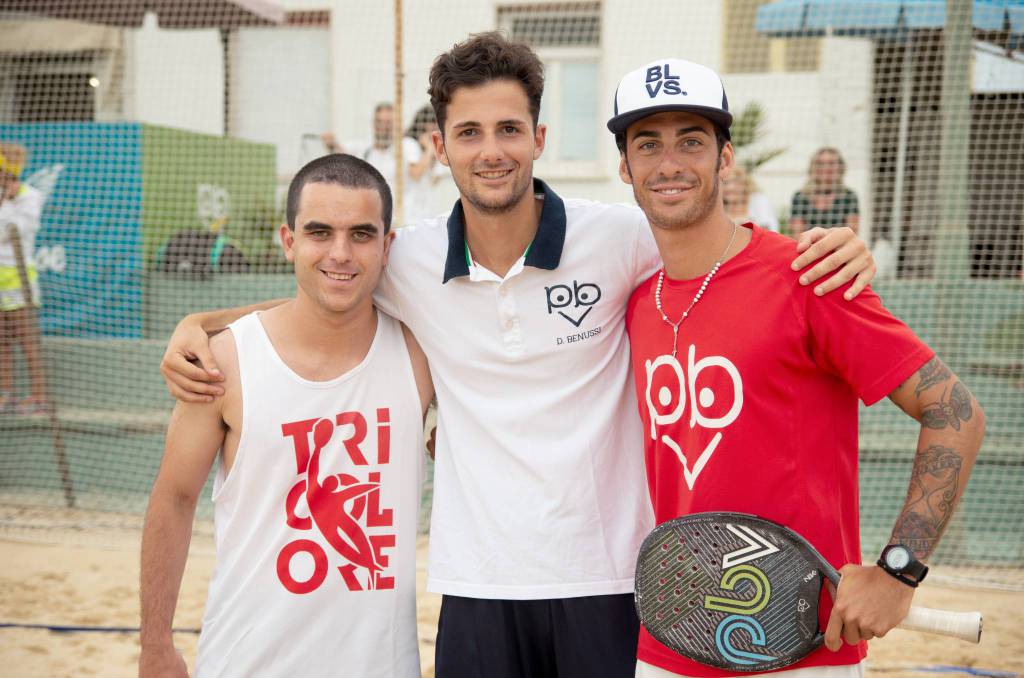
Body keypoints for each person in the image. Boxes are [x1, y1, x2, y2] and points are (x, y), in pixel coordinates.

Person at [160, 33, 877, 678]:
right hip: (478, 586)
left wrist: (821, 250)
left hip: (609, 582)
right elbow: (328, 285)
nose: (491, 149)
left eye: (508, 129)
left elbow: (718, 245)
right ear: (440, 148)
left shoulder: (619, 238)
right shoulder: (407, 258)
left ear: (537, 137)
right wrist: (204, 322)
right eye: (468, 132)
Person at [609, 57, 985, 677]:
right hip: (674, 640)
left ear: (726, 158)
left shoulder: (811, 276)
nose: (669, 163)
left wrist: (898, 571)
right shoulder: (635, 300)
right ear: (625, 166)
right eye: (647, 144)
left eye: (692, 141)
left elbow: (956, 412)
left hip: (805, 647)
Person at [139, 154, 433, 678]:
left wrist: (199, 319)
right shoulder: (223, 361)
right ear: (288, 239)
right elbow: (174, 498)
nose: (340, 252)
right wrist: (155, 644)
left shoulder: (421, 355)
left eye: (361, 234)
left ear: (387, 247)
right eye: (319, 232)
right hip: (245, 661)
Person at [321, 102, 436, 225]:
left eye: (388, 123)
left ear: (396, 125)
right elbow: (344, 156)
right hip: (376, 221)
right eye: (380, 122)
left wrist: (430, 148)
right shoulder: (366, 150)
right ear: (374, 124)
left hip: (406, 222)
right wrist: (332, 144)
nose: (384, 127)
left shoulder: (406, 145)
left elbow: (416, 174)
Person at [0, 142, 47, 415]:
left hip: (19, 280)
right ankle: (5, 394)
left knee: (28, 340)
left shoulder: (31, 196)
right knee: (2, 340)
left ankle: (39, 396)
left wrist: (7, 200)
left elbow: (11, 231)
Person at [789, 146, 860, 234]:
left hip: (840, 246)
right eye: (820, 163)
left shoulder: (849, 196)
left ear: (840, 167)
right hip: (808, 246)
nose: (826, 167)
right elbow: (797, 234)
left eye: (831, 163)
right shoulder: (800, 197)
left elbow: (852, 232)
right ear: (813, 167)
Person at [722, 164, 778, 232]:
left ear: (744, 183)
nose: (730, 187)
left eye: (735, 182)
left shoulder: (758, 200)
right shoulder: (718, 205)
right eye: (725, 183)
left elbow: (769, 228)